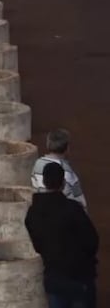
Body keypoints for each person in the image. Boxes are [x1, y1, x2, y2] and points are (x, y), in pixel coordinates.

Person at [25, 162, 99, 308]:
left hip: (54, 275)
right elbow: (92, 241)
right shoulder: (73, 209)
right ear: (63, 183)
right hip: (79, 277)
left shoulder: (33, 213)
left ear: (45, 182)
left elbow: (38, 245)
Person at [31, 129, 88, 210]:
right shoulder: (68, 173)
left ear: (48, 145)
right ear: (67, 148)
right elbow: (81, 204)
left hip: (41, 212)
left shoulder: (37, 164)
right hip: (62, 215)